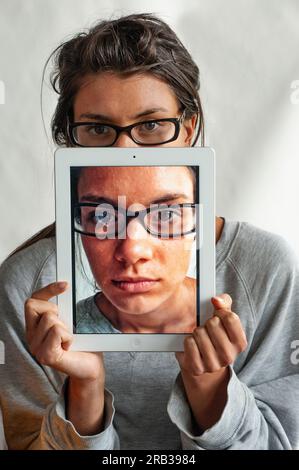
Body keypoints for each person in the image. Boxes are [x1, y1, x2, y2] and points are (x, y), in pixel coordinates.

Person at [0, 13, 298, 450]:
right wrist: (83, 395)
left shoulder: (266, 270)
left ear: (189, 128)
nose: (125, 150)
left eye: (152, 125)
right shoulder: (30, 288)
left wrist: (213, 391)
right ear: (71, 141)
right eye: (99, 129)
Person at [73, 165, 197, 334]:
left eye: (166, 214)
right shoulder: (63, 334)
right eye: (103, 216)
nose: (132, 252)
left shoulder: (239, 310)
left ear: (198, 223)